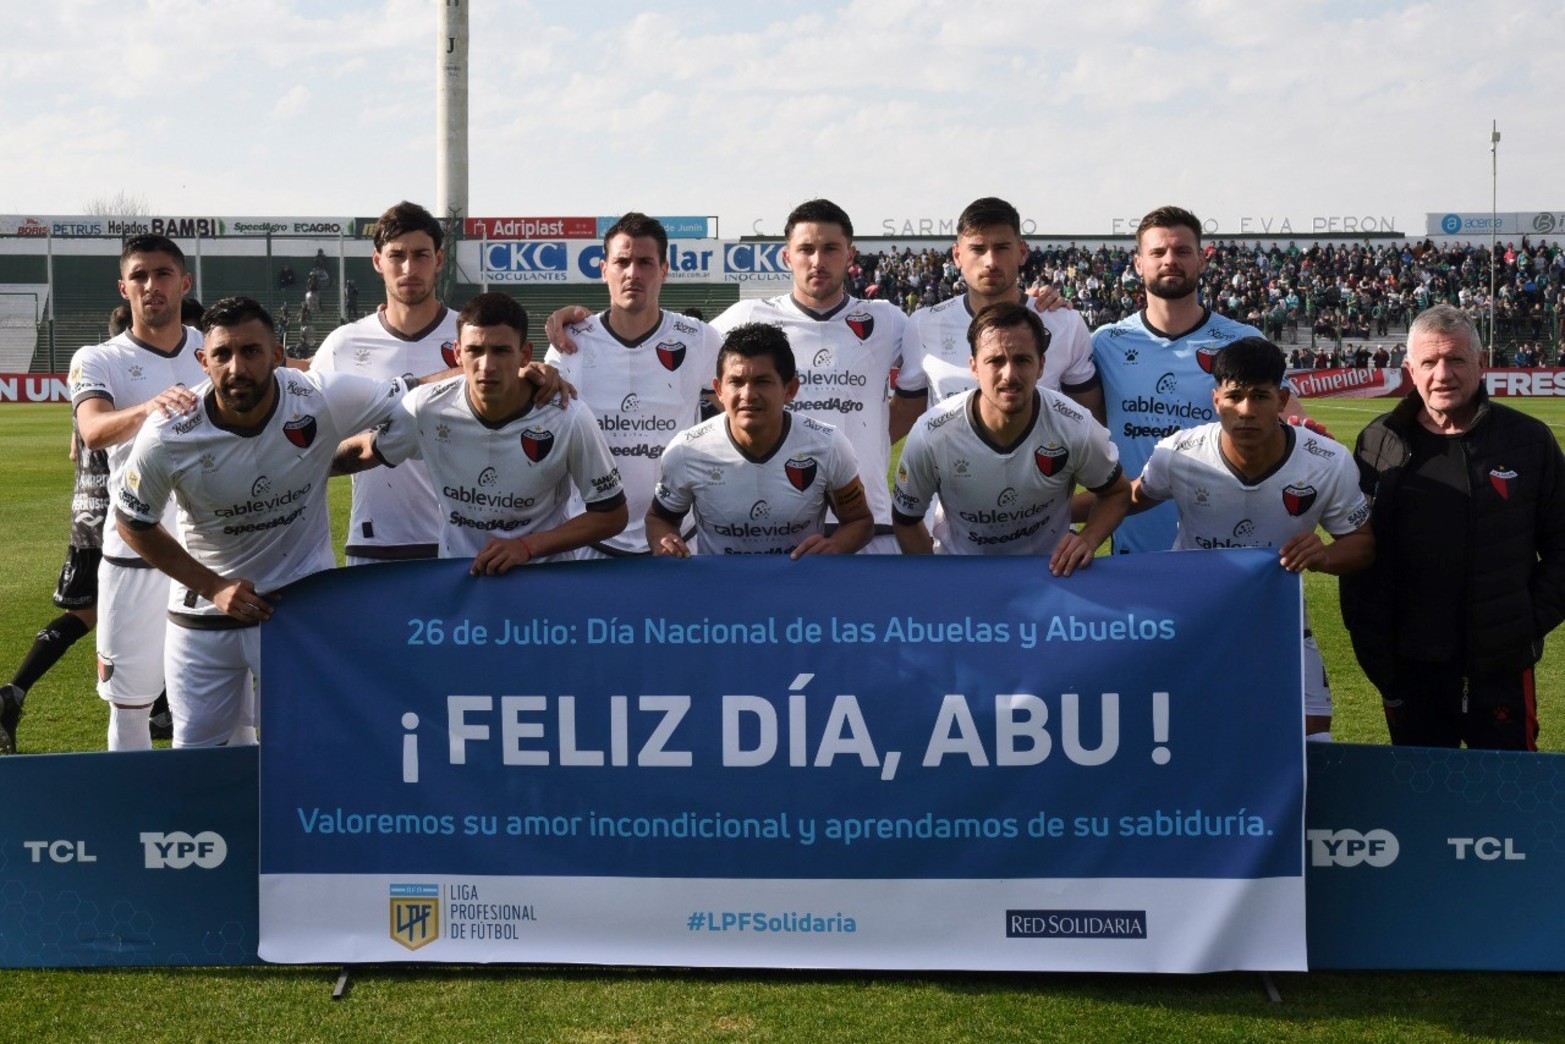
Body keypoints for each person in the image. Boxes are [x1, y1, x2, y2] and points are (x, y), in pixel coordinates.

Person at [114, 296, 418, 747]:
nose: (237, 367)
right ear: (203, 361)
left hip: (298, 609)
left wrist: (522, 380)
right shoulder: (167, 435)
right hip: (203, 620)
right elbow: (132, 523)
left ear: (277, 355)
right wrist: (213, 586)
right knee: (198, 754)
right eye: (222, 354)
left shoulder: (318, 396)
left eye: (251, 351)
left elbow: (414, 395)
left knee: (308, 746)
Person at [1340, 304, 1565, 750]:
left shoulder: (1528, 440)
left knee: (1505, 798)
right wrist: (1376, 653)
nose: (1443, 373)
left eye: (1457, 359)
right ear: (1410, 368)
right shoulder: (1377, 441)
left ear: (1480, 364)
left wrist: (1524, 622)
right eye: (1429, 362)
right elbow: (1356, 551)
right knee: (1420, 802)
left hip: (1499, 668)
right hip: (1408, 667)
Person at [1130, 337, 1373, 740]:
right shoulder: (1180, 453)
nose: (1245, 410)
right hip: (1195, 622)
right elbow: (1130, 498)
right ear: (1215, 399)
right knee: (1182, 738)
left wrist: (1326, 556)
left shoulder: (1326, 462)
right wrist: (1057, 515)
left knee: (1312, 742)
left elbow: (1363, 543)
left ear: (1282, 400)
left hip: (1280, 626)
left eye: (1260, 396)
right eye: (1234, 396)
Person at [335, 293, 627, 571]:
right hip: (462, 581)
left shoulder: (568, 417)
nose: (487, 366)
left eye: (501, 351)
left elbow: (612, 514)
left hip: (542, 582)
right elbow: (364, 452)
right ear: (458, 353)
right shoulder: (426, 408)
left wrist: (525, 547)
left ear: (525, 354)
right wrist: (294, 468)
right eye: (475, 350)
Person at [68, 234, 206, 751]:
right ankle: (136, 825)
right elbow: (94, 430)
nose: (152, 286)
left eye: (164, 274)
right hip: (135, 555)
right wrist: (152, 407)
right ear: (123, 287)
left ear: (184, 283)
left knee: (223, 700)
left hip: (210, 553)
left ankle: (232, 819)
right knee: (130, 706)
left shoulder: (212, 347)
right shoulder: (98, 357)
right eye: (141, 276)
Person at [892, 302, 1128, 573]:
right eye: (995, 360)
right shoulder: (931, 434)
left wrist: (1088, 538)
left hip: (1049, 576)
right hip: (965, 575)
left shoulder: (1074, 426)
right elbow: (906, 519)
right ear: (974, 367)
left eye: (1022, 360)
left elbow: (1116, 493)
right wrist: (939, 578)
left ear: (1041, 365)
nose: (1010, 375)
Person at [542, 212, 721, 557]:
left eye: (645, 262)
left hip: (675, 537)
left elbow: (739, 413)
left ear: (664, 270)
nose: (633, 273)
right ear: (603, 268)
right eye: (622, 261)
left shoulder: (698, 338)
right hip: (590, 538)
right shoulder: (570, 342)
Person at [1090, 207, 1267, 554]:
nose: (1170, 259)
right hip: (1134, 543)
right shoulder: (1105, 342)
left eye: (1182, 251)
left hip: (1223, 546)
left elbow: (1286, 419)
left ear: (1201, 260)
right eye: (1157, 252)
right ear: (1138, 264)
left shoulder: (1243, 340)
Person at [310, 201, 459, 565]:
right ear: (378, 261)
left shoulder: (469, 338)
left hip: (459, 545)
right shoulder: (343, 344)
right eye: (397, 255)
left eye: (421, 255)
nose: (409, 268)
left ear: (439, 260)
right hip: (372, 544)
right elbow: (307, 445)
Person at [646, 323, 873, 557]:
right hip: (719, 588)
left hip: (798, 586)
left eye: (762, 381)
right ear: (719, 389)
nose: (748, 394)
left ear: (790, 389)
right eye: (736, 382)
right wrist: (663, 541)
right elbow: (659, 518)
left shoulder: (828, 444)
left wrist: (836, 546)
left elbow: (860, 521)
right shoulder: (686, 450)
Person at [896, 197, 1102, 417]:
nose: (990, 262)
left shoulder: (1064, 322)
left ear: (1022, 252)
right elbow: (905, 413)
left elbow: (1091, 419)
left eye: (1001, 248)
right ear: (957, 255)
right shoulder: (923, 324)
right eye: (978, 249)